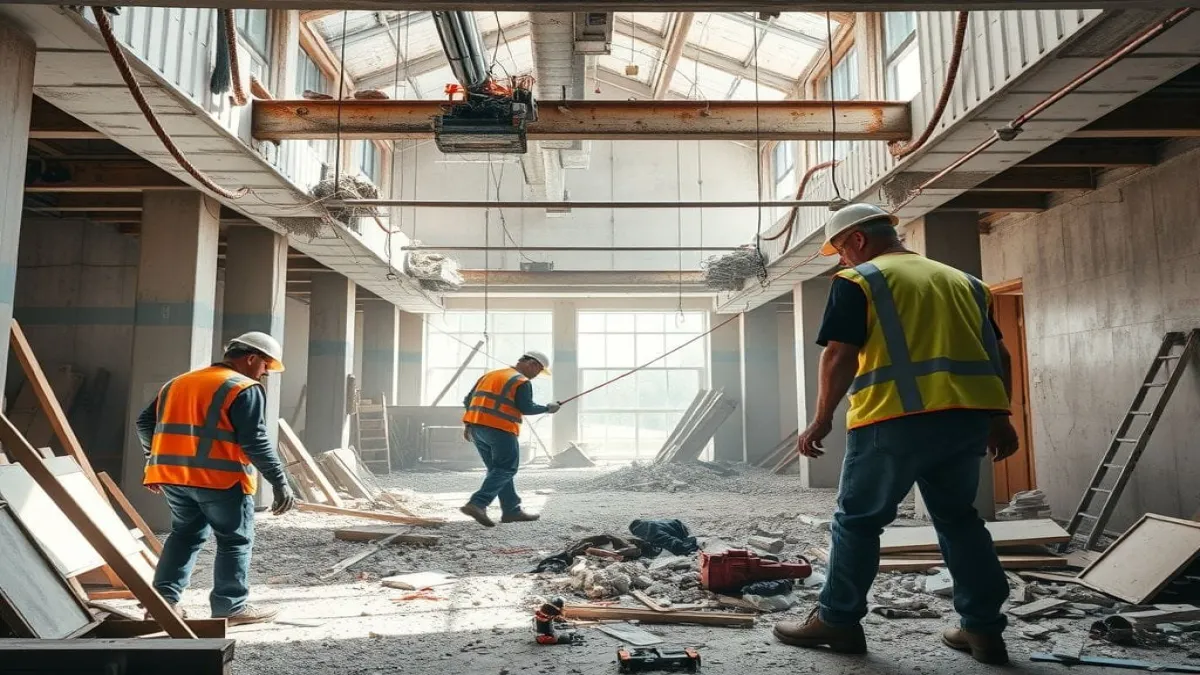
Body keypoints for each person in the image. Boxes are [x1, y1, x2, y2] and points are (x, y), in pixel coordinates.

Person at [772, 203, 1020, 665]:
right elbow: (999, 355)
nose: (841, 259)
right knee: (960, 522)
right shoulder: (968, 283)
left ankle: (838, 621)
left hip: (892, 420)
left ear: (859, 239)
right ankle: (983, 630)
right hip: (965, 421)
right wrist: (1000, 417)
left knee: (857, 522)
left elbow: (839, 354)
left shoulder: (860, 280)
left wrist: (822, 418)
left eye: (840, 249)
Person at [136, 331, 297, 626]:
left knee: (184, 536)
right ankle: (230, 607)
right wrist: (279, 480)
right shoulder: (243, 388)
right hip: (220, 479)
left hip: (174, 477)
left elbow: (144, 422)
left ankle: (162, 606)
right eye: (266, 366)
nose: (265, 374)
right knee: (235, 540)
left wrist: (154, 459)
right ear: (252, 358)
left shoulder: (178, 383)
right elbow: (255, 441)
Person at [459, 350, 560, 527]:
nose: (536, 375)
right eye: (538, 371)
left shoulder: (490, 375)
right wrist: (547, 408)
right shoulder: (521, 381)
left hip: (476, 429)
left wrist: (468, 425)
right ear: (532, 364)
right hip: (500, 429)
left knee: (497, 470)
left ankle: (511, 510)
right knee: (506, 468)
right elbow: (526, 407)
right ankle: (478, 503)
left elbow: (468, 400)